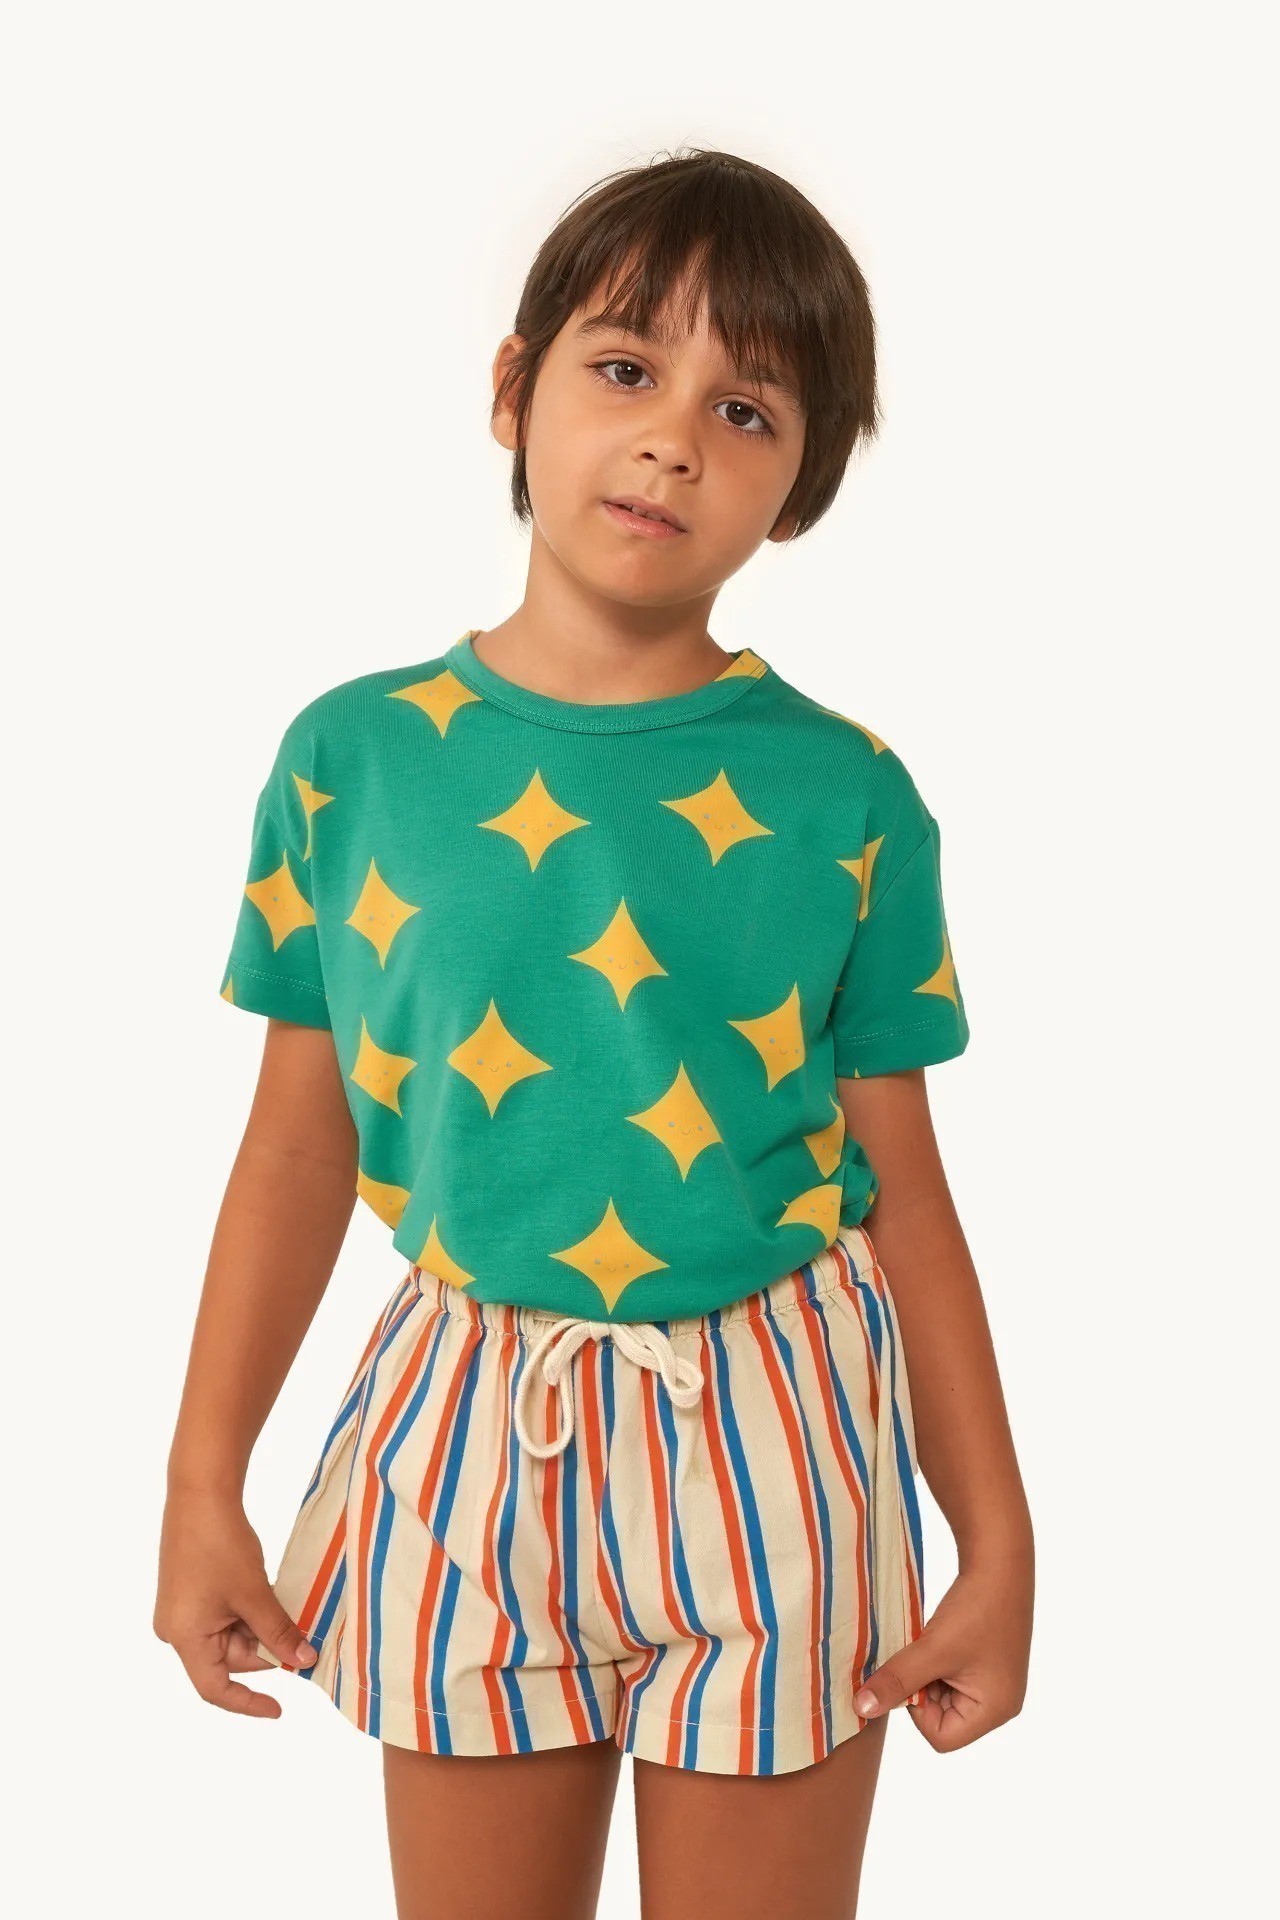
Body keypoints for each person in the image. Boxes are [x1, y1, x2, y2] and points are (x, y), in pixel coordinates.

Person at [155, 146, 1033, 1920]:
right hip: (467, 1436)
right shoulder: (351, 760)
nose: (673, 441)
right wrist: (201, 1478)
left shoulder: (850, 795)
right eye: (626, 368)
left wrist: (997, 1530)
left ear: (802, 487)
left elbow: (907, 1193)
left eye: (747, 409)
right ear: (515, 388)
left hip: (778, 1434)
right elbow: (297, 1148)